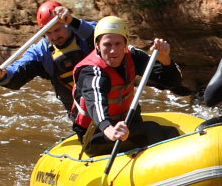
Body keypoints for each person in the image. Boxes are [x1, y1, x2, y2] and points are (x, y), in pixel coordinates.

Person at [73, 15, 185, 156]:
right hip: (97, 135)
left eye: (118, 44)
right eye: (107, 44)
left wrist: (165, 59)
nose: (113, 51)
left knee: (171, 132)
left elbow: (172, 82)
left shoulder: (133, 56)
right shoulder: (91, 72)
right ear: (97, 45)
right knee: (153, 130)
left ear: (125, 44)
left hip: (127, 124)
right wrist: (108, 129)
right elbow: (96, 102)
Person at [0, 0, 96, 117]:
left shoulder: (84, 29)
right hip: (79, 111)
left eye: (57, 30)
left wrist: (74, 21)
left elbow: (107, 38)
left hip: (106, 100)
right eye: (49, 32)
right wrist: (1, 74)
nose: (55, 37)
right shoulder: (41, 52)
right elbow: (18, 71)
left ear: (66, 23)